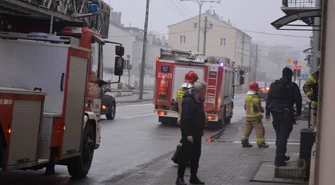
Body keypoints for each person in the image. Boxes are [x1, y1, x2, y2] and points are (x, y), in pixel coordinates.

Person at [266, 67, 302, 166]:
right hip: (286, 114)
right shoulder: (292, 86)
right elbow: (298, 100)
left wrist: (267, 113)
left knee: (279, 134)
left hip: (275, 113)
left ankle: (281, 155)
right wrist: (298, 113)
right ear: (290, 75)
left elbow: (268, 99)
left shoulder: (274, 85)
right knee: (283, 136)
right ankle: (279, 158)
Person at [176, 81, 207, 185]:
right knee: (185, 156)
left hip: (197, 134)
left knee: (196, 156)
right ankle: (179, 178)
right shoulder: (189, 100)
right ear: (200, 91)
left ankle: (193, 177)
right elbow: (185, 119)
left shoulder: (198, 100)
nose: (205, 93)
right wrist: (188, 134)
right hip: (189, 134)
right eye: (204, 91)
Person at [171, 71, 199, 165]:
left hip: (181, 118)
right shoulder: (192, 92)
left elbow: (177, 105)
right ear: (194, 80)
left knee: (183, 139)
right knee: (188, 140)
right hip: (189, 119)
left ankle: (178, 156)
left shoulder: (179, 90)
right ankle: (179, 157)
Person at [241, 81, 269, 148]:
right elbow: (256, 107)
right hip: (255, 116)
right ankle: (261, 143)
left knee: (247, 129)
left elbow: (246, 106)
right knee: (260, 129)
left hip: (248, 116)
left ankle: (244, 142)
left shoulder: (247, 96)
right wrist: (260, 113)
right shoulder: (255, 96)